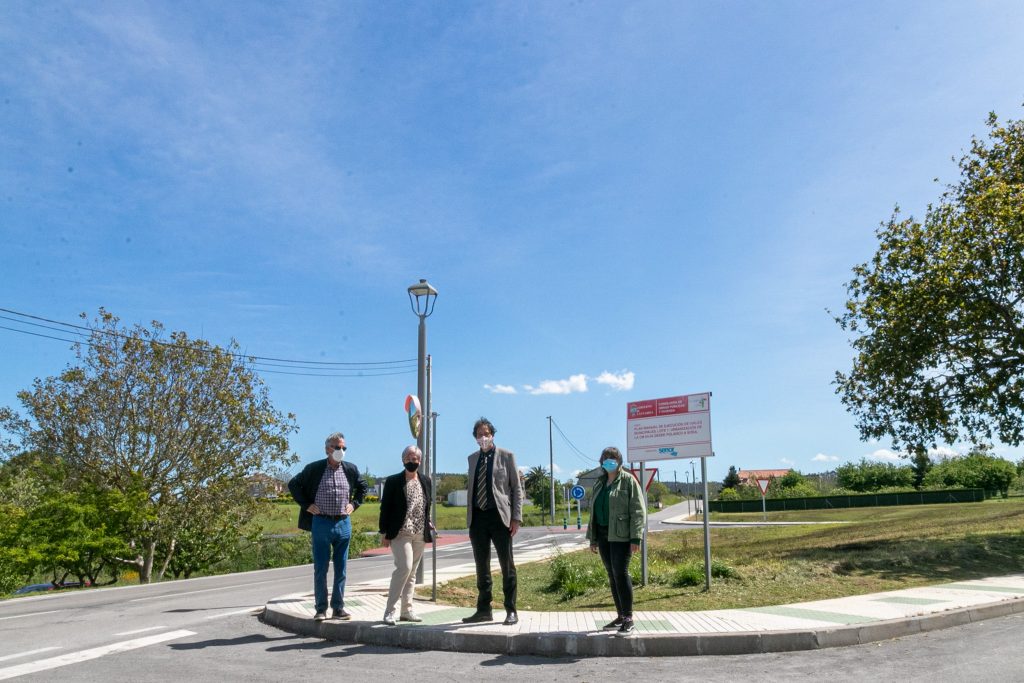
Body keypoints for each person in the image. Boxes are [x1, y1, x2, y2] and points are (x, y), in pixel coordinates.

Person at [287, 431, 368, 622]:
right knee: (321, 568)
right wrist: (307, 505)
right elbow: (294, 484)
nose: (340, 450)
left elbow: (362, 487)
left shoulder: (350, 469)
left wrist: (354, 504)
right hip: (321, 522)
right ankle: (321, 609)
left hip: (343, 523)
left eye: (343, 448)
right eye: (337, 447)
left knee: (341, 568)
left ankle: (338, 608)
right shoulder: (314, 469)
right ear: (327, 449)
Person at [462, 417, 523, 626]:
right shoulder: (472, 459)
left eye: (486, 433)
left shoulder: (507, 456)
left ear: (493, 435)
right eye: (479, 434)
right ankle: (483, 609)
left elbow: (516, 488)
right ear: (475, 438)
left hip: (500, 517)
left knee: (507, 565)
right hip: (477, 518)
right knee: (481, 565)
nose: (483, 437)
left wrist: (516, 517)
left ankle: (511, 609)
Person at [586, 446, 647, 637]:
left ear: (619, 461)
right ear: (601, 462)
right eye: (605, 458)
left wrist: (636, 537)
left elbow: (638, 510)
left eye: (612, 458)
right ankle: (620, 616)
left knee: (621, 573)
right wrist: (593, 539)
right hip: (603, 535)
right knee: (612, 575)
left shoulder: (628, 480)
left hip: (621, 536)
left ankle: (629, 618)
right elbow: (594, 513)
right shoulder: (600, 483)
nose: (608, 461)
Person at [378, 445, 434, 625]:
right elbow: (385, 507)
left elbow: (427, 504)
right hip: (400, 532)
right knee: (404, 567)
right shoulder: (394, 481)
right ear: (403, 460)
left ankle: (407, 610)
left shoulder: (426, 480)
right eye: (409, 457)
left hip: (419, 531)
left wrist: (429, 521)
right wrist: (384, 532)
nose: (413, 460)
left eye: (416, 458)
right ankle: (389, 611)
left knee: (412, 573)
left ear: (420, 460)